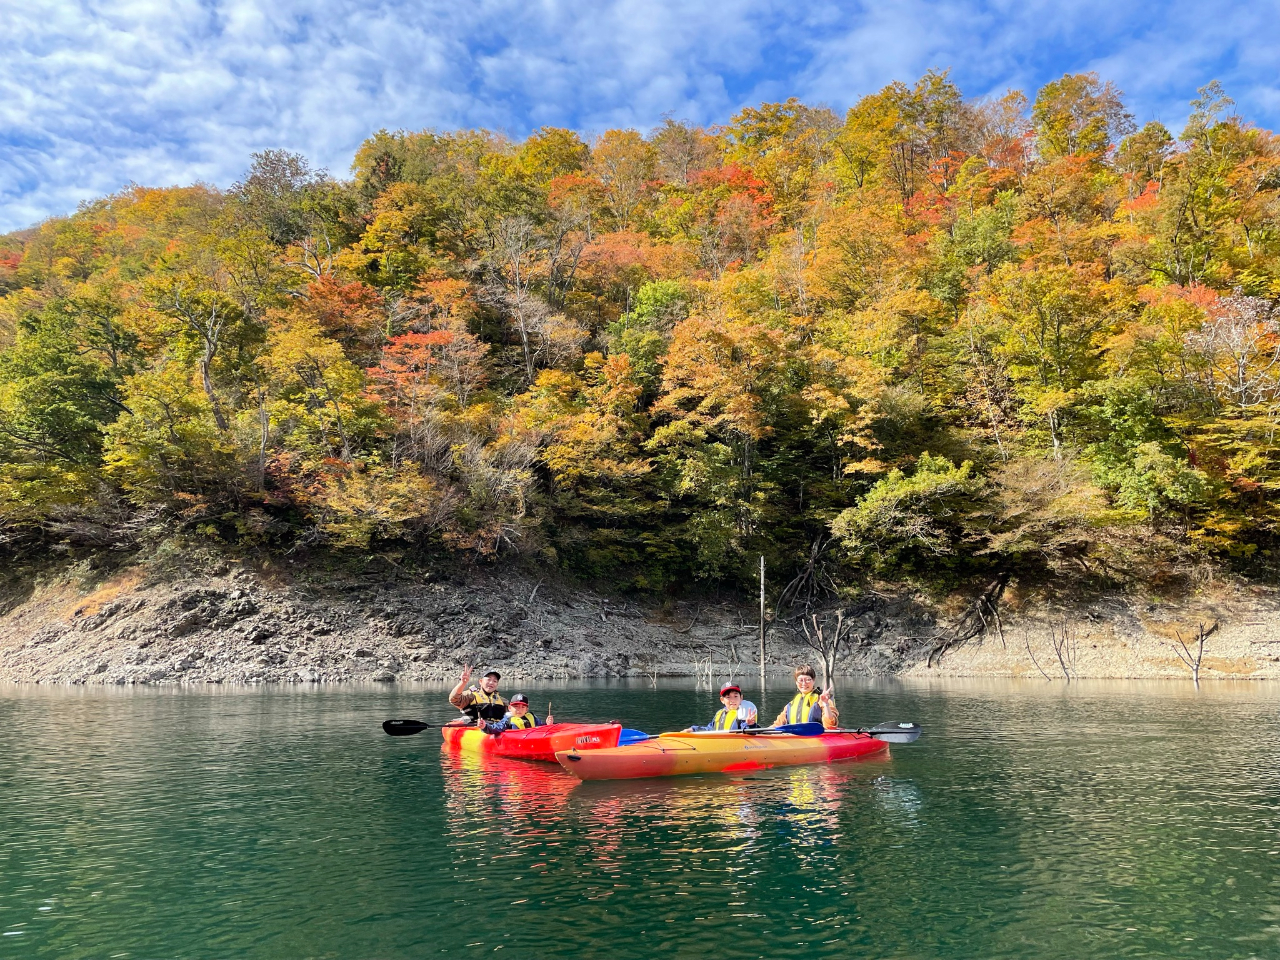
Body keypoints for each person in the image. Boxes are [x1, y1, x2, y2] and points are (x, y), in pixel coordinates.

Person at [773, 665, 839, 730]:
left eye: (808, 680)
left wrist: (826, 704)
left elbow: (830, 726)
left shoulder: (823, 700)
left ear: (813, 681)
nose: (804, 683)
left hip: (817, 736)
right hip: (795, 737)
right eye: (801, 680)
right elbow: (777, 724)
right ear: (796, 682)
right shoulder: (791, 704)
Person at [685, 683, 760, 732]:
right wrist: (693, 729)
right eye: (728, 697)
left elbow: (749, 732)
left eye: (736, 696)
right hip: (721, 742)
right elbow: (710, 729)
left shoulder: (744, 711)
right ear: (722, 700)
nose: (732, 700)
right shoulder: (720, 713)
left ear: (741, 698)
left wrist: (750, 724)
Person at [479, 694, 555, 734]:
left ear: (526, 709)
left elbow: (541, 728)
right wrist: (484, 726)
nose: (519, 710)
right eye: (516, 707)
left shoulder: (532, 717)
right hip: (519, 741)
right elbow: (495, 728)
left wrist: (548, 725)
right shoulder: (508, 720)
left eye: (523, 707)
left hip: (532, 739)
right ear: (509, 708)